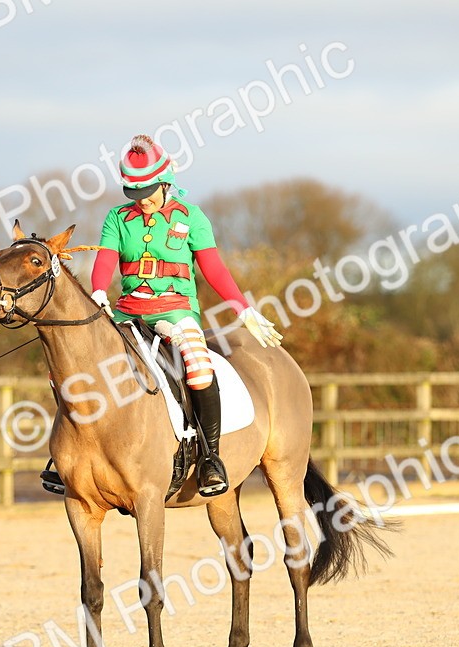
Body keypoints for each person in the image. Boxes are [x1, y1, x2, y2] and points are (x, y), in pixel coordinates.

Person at [41, 134, 281, 498]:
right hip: (127, 311)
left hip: (176, 310)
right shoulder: (118, 218)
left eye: (148, 191)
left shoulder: (192, 217)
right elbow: (106, 259)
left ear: (166, 180)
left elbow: (214, 269)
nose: (142, 200)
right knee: (71, 368)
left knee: (198, 366)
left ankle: (210, 458)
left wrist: (242, 308)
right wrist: (100, 291)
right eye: (134, 193)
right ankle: (71, 456)